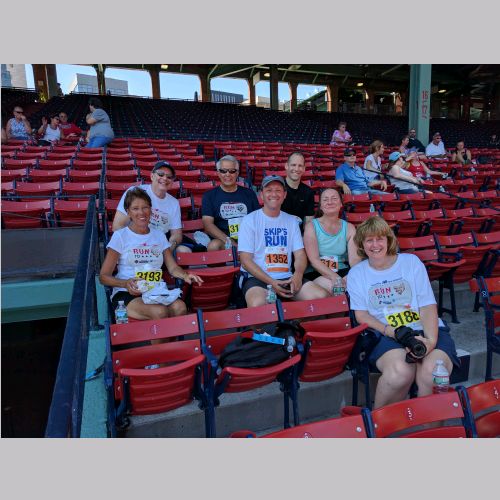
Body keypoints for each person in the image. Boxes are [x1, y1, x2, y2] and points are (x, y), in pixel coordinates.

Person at [346, 217, 459, 408]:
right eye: (369, 240)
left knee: (432, 373)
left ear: (389, 240)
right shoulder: (357, 273)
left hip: (426, 327)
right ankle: (380, 423)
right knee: (400, 372)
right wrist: (389, 330)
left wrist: (430, 342)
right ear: (362, 245)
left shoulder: (411, 262)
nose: (375, 245)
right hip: (386, 333)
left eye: (380, 239)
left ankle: (427, 426)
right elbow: (361, 315)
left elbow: (427, 305)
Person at [100, 188, 203, 321]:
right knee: (160, 312)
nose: (141, 212)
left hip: (155, 290)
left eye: (145, 207)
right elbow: (103, 277)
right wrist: (125, 284)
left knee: (180, 307)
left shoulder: (159, 235)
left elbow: (172, 267)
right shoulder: (120, 236)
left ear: (151, 210)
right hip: (127, 292)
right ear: (128, 212)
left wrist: (185, 275)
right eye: (135, 208)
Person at [238, 175, 329, 307]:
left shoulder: (292, 221)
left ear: (284, 194)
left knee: (321, 297)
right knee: (258, 304)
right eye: (269, 190)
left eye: (278, 190)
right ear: (261, 195)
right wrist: (271, 282)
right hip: (258, 278)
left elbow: (300, 254)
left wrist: (298, 275)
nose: (274, 194)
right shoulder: (249, 220)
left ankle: (297, 321)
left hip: (287, 277)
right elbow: (245, 261)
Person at [113, 161, 191, 253]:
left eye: (169, 177)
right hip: (134, 242)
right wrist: (134, 246)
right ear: (152, 176)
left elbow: (176, 234)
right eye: (160, 174)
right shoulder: (135, 192)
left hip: (159, 245)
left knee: (184, 250)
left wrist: (169, 248)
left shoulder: (174, 203)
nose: (165, 178)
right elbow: (118, 226)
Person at [303, 188, 359, 295]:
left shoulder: (349, 228)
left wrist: (350, 277)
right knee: (336, 289)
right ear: (320, 206)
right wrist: (336, 278)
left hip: (342, 270)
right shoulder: (311, 226)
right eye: (325, 199)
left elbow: (354, 261)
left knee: (358, 285)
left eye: (334, 198)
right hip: (318, 272)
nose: (330, 202)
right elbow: (314, 260)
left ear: (341, 203)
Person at [201, 155, 260, 251]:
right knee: (213, 245)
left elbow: (258, 221)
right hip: (224, 241)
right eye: (223, 171)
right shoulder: (209, 196)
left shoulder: (249, 194)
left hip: (248, 239)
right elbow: (208, 225)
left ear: (237, 173)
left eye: (232, 171)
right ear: (218, 173)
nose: (227, 174)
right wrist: (232, 243)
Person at [280, 151, 315, 231]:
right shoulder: (277, 189)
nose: (296, 169)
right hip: (278, 233)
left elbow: (309, 221)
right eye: (293, 165)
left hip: (299, 234)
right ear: (286, 166)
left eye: (300, 166)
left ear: (304, 169)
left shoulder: (308, 192)